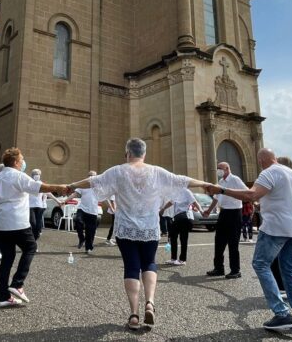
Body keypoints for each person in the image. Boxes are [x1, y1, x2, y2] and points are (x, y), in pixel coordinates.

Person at [66, 138, 215, 330]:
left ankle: (134, 315)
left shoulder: (118, 171)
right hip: (150, 228)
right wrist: (206, 183)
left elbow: (94, 181)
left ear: (128, 152)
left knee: (131, 267)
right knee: (149, 264)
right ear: (144, 153)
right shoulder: (156, 172)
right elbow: (181, 180)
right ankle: (150, 303)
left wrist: (71, 185)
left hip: (126, 228)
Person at [208, 149, 292, 335]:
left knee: (260, 264)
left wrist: (222, 190)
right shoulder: (290, 173)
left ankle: (282, 313)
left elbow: (251, 195)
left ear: (260, 160)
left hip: (276, 227)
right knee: (289, 271)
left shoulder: (269, 173)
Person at [0, 148, 68, 308]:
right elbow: (39, 187)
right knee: (30, 247)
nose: (23, 163)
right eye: (21, 160)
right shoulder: (18, 176)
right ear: (15, 162)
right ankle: (18, 283)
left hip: (0, 224)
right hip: (17, 221)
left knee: (7, 258)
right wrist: (59, 187)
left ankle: (3, 296)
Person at [203, 161, 247, 279]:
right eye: (217, 168)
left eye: (220, 168)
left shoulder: (235, 180)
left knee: (233, 243)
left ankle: (235, 270)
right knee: (219, 241)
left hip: (235, 213)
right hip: (223, 213)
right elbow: (216, 199)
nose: (218, 170)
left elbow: (246, 192)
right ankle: (219, 268)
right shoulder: (221, 182)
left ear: (227, 168)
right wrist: (208, 210)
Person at [162, 189, 203, 266]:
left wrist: (201, 211)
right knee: (172, 236)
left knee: (183, 238)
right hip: (177, 217)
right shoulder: (176, 192)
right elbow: (171, 202)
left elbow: (194, 202)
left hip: (185, 217)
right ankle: (173, 258)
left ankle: (182, 260)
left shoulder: (186, 191)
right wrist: (163, 208)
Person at [65, 172, 101, 254]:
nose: (91, 177)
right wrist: (64, 201)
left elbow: (105, 198)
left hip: (93, 212)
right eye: (90, 176)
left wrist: (111, 207)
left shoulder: (99, 187)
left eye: (93, 176)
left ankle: (88, 248)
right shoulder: (83, 186)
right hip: (82, 209)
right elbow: (74, 194)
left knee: (90, 231)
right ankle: (81, 238)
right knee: (77, 220)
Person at [28, 168, 60, 245]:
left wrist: (58, 201)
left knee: (38, 225)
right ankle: (31, 240)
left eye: (38, 174)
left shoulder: (41, 184)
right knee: (33, 223)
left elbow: (49, 193)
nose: (37, 176)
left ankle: (34, 240)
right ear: (32, 175)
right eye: (35, 174)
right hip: (30, 206)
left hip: (39, 206)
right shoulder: (29, 183)